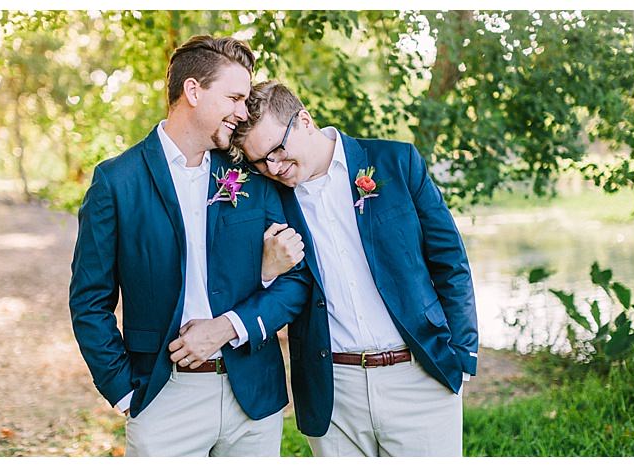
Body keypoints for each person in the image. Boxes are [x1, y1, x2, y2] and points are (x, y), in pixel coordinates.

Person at [69, 38, 310, 457]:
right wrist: (126, 393)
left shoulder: (253, 178)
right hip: (164, 398)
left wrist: (230, 325)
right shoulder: (117, 182)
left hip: (254, 400)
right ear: (194, 91)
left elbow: (297, 280)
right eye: (234, 97)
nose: (242, 111)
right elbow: (90, 301)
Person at [231, 81, 478, 457]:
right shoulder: (269, 197)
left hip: (419, 374)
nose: (274, 167)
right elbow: (269, 286)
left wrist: (462, 354)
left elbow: (450, 262)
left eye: (277, 151)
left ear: (304, 120)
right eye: (260, 162)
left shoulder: (396, 162)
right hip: (332, 388)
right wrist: (265, 270)